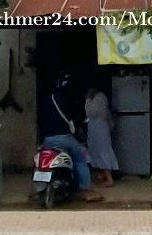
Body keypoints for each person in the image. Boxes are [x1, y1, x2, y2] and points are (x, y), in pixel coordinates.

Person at [37, 74, 101, 202]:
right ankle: (87, 191)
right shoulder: (66, 100)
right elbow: (75, 118)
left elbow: (40, 120)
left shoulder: (45, 101)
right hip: (64, 138)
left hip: (48, 140)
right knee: (80, 160)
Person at [84, 85, 119, 187]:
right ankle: (104, 175)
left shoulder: (99, 98)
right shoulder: (99, 97)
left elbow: (92, 113)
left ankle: (109, 179)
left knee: (103, 151)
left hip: (99, 128)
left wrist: (88, 100)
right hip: (97, 128)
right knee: (98, 151)